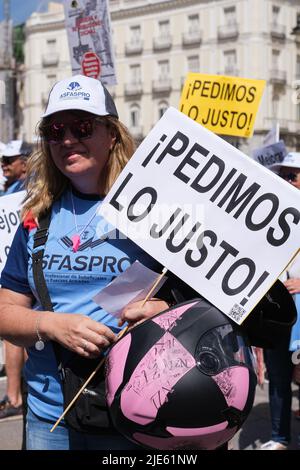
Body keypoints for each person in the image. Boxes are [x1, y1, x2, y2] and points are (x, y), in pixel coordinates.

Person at [0, 75, 180, 451]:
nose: (67, 139)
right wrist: (49, 324)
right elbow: (5, 310)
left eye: (82, 126)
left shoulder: (156, 210)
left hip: (141, 411)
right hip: (52, 418)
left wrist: (165, 311)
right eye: (55, 129)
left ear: (111, 134)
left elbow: (209, 301)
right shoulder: (37, 215)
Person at [260, 152, 300, 450]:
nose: (285, 181)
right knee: (278, 376)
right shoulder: (267, 218)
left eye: (291, 175)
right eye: (282, 176)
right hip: (278, 313)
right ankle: (279, 438)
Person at [0, 140, 32, 449]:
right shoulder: (10, 191)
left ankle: (15, 395)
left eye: (10, 159)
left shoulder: (32, 190)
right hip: (15, 272)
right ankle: (16, 394)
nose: (4, 164)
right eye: (3, 159)